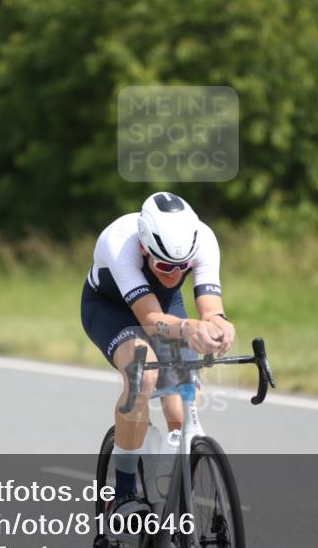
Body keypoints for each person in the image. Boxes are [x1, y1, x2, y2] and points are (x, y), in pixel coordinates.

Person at [81, 192, 236, 516]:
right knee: (143, 373)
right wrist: (187, 329)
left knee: (178, 405)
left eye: (184, 266)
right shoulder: (120, 242)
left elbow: (210, 308)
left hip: (165, 307)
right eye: (164, 265)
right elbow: (149, 320)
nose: (174, 274)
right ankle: (123, 494)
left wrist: (219, 326)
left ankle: (174, 496)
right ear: (143, 248)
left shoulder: (203, 238)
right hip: (111, 309)